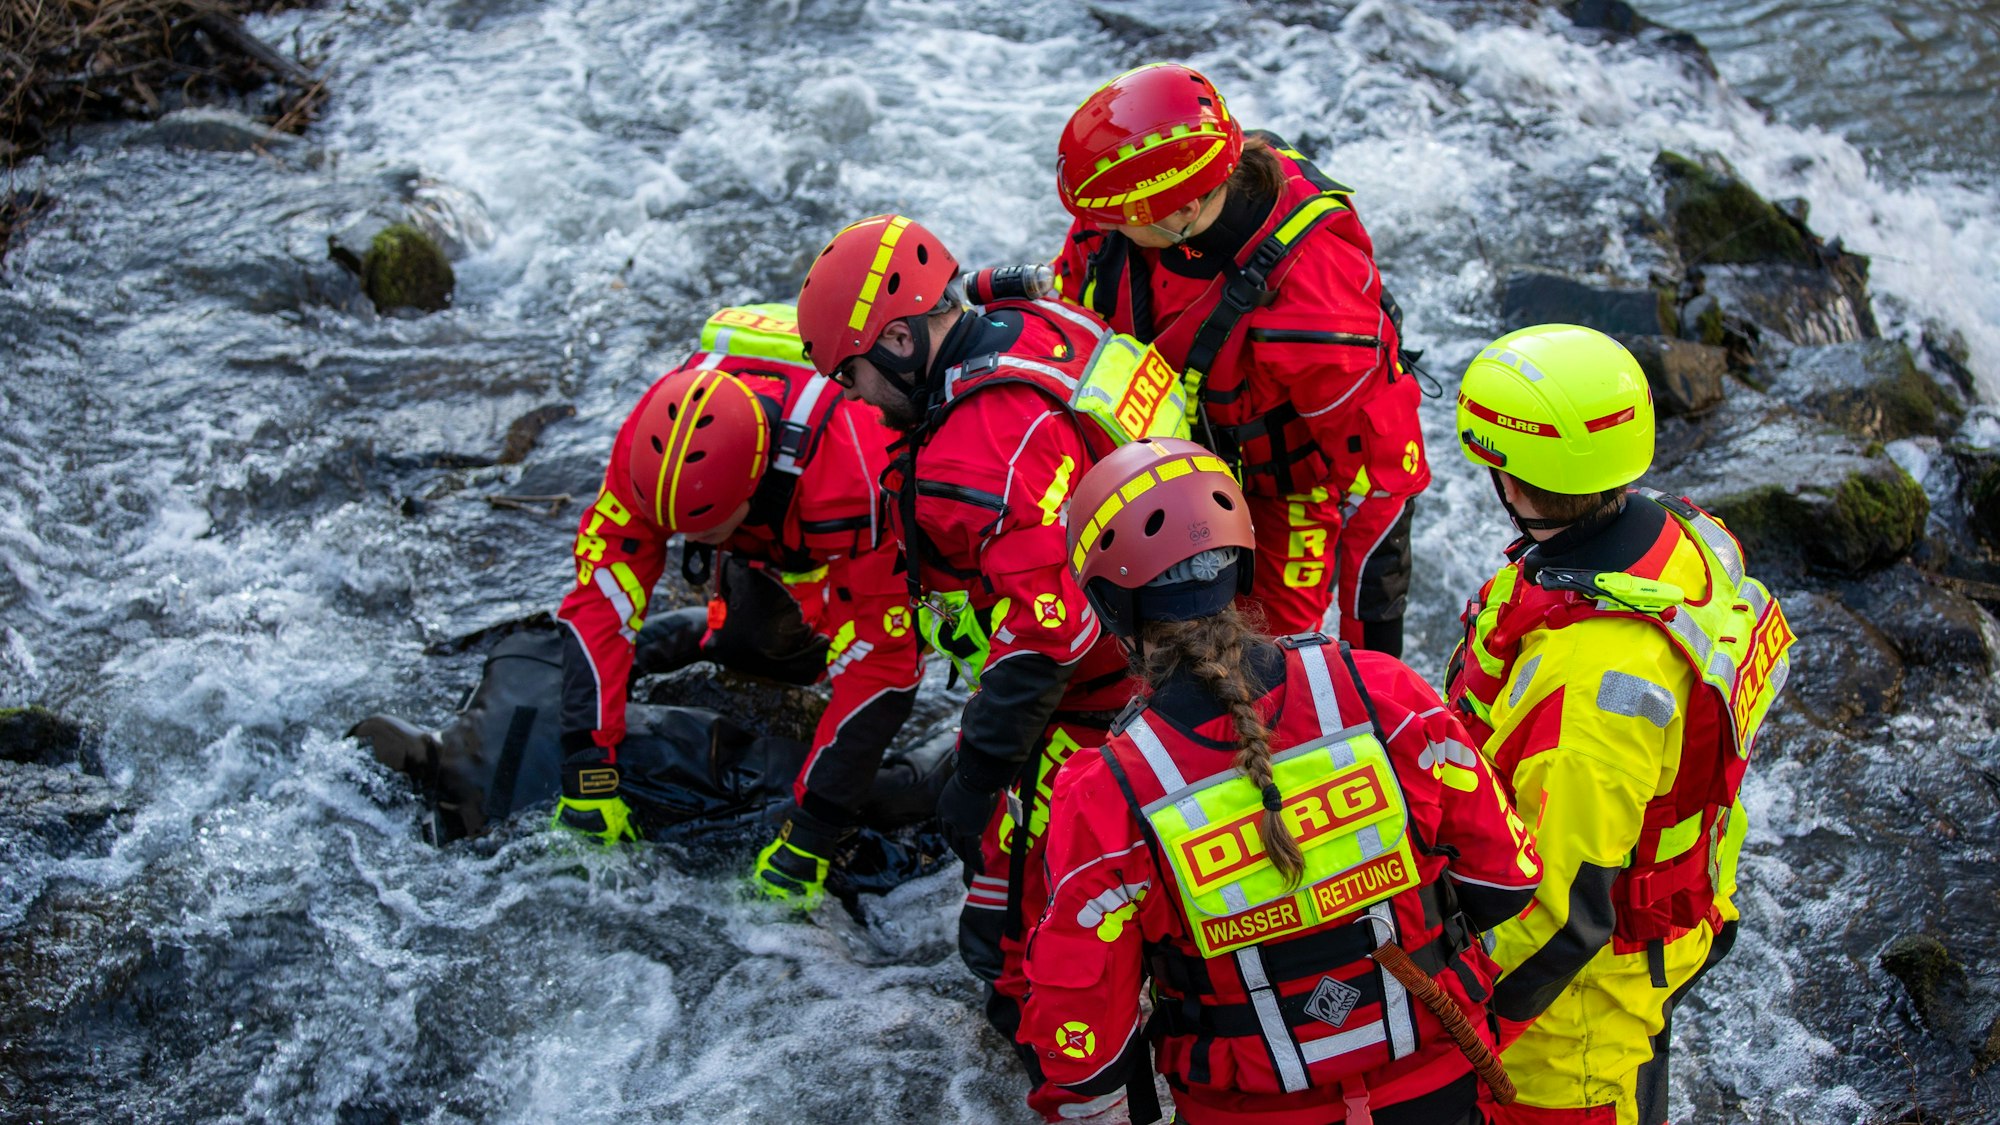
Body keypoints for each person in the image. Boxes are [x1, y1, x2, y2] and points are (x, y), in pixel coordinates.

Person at [1019, 436, 1542, 1125]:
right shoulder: (1385, 695)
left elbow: (1083, 1041)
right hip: (1437, 1082)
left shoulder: (1105, 791)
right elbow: (1506, 881)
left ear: (1112, 606)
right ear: (1242, 567)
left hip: (1248, 1109)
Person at [795, 214, 1138, 1054]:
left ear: (901, 341)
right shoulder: (1040, 322)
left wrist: (979, 778)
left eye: (851, 374)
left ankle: (1053, 1059)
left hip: (1099, 690)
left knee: (1010, 915)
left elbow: (1046, 639)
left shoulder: (972, 463)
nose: (853, 400)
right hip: (1169, 607)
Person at [1443, 324, 1796, 1125]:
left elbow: (1561, 912)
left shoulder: (1591, 688)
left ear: (1511, 481)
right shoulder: (1684, 537)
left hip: (1575, 1020)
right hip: (1678, 905)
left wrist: (1454, 1023)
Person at [552, 303, 924, 910]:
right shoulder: (646, 447)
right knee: (750, 642)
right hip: (764, 476)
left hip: (841, 489)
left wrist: (812, 830)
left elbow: (884, 663)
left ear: (755, 489)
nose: (685, 545)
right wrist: (587, 763)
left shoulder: (858, 479)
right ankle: (727, 619)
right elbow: (601, 600)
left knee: (877, 641)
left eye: (703, 529)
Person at [1051, 62, 1430, 655]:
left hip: (1281, 493)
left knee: (1266, 661)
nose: (1095, 229)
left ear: (1182, 211)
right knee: (1116, 642)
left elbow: (1382, 488)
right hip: (1146, 461)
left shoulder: (1315, 306)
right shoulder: (1120, 218)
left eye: (1114, 218)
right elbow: (1066, 320)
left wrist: (1376, 669)